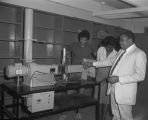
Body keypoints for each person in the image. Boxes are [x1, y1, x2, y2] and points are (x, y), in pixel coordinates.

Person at [83, 30, 147, 120]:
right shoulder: (121, 51)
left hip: (124, 92)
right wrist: (92, 64)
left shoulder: (139, 53)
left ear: (130, 40)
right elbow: (110, 61)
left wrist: (119, 79)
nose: (120, 42)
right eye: (120, 40)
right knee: (115, 114)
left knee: (125, 117)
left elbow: (140, 75)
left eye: (122, 40)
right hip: (113, 88)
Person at [95, 36, 117, 120]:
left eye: (111, 46)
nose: (109, 48)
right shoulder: (101, 49)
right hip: (99, 75)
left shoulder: (115, 53)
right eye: (107, 46)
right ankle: (99, 117)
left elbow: (113, 67)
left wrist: (107, 78)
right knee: (98, 99)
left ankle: (103, 118)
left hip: (109, 76)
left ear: (113, 45)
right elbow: (98, 61)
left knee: (106, 100)